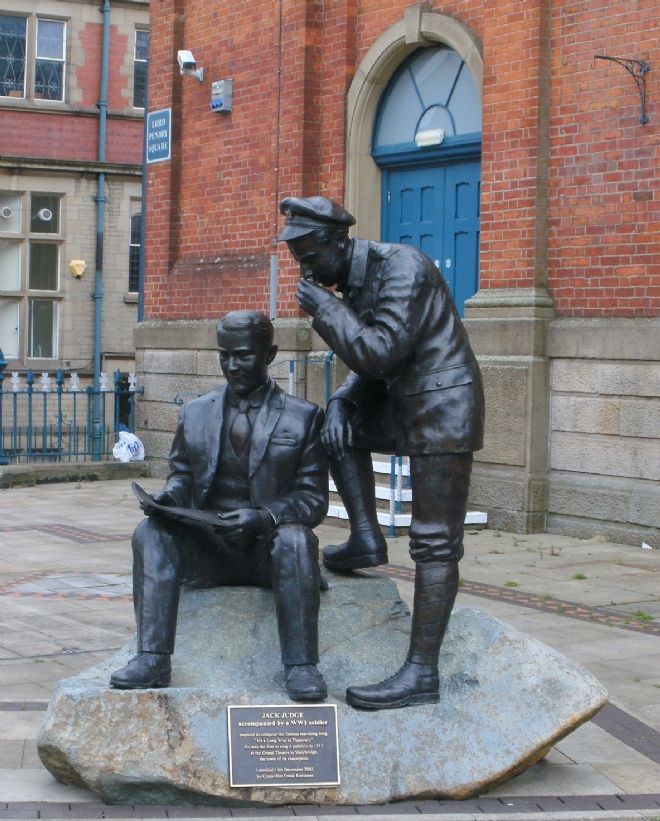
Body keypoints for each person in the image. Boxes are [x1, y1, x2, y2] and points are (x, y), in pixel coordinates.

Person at [278, 196, 484, 710]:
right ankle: (367, 538)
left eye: (310, 257)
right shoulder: (354, 281)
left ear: (337, 241)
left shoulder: (403, 267)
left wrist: (326, 309)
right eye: (297, 259)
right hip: (403, 402)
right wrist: (346, 399)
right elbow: (373, 367)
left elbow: (380, 350)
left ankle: (421, 673)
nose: (305, 269)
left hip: (444, 408)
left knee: (434, 543)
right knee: (334, 422)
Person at [110, 310, 329, 702]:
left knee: (296, 539)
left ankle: (301, 666)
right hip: (209, 549)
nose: (232, 365)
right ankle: (153, 659)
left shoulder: (304, 417)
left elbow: (313, 499)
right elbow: (181, 477)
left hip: (268, 551)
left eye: (243, 356)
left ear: (270, 354)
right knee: (150, 533)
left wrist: (264, 517)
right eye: (224, 355)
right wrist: (169, 499)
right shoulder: (196, 412)